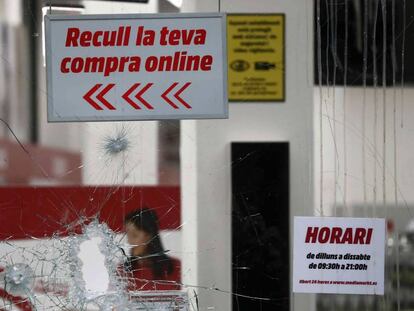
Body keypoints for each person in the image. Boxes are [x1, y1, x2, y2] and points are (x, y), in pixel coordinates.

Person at [123, 208, 181, 291]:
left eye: (134, 235)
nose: (129, 241)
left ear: (149, 235)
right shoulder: (123, 271)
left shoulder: (175, 268)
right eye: (127, 235)